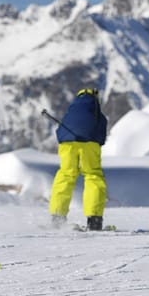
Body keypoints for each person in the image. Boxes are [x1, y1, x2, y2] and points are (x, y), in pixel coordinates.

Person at [50, 88, 109, 231]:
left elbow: (60, 131)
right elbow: (102, 130)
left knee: (66, 175)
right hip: (90, 143)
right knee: (93, 175)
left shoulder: (72, 111)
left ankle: (58, 217)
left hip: (67, 143)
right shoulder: (95, 110)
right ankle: (94, 220)